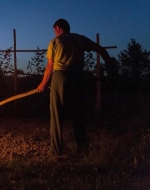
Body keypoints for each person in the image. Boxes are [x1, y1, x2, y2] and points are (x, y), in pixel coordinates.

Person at [37, 19, 112, 157]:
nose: (54, 33)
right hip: (77, 78)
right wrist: (110, 64)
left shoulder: (55, 42)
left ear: (58, 28)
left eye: (54, 30)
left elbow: (50, 66)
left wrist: (43, 84)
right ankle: (83, 148)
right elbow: (100, 50)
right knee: (78, 114)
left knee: (56, 115)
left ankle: (56, 151)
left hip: (60, 76)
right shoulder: (80, 39)